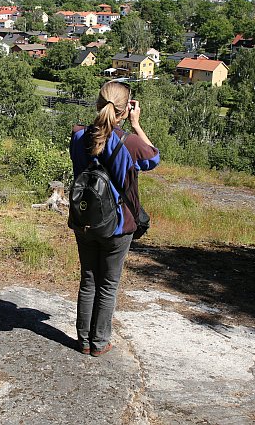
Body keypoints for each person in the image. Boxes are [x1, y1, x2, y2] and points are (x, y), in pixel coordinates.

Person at [69, 81, 159, 357]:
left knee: (88, 279)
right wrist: (137, 125)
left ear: (98, 105)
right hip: (118, 224)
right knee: (108, 283)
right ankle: (99, 343)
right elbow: (153, 158)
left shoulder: (79, 136)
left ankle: (84, 340)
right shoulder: (129, 142)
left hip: (84, 217)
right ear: (125, 110)